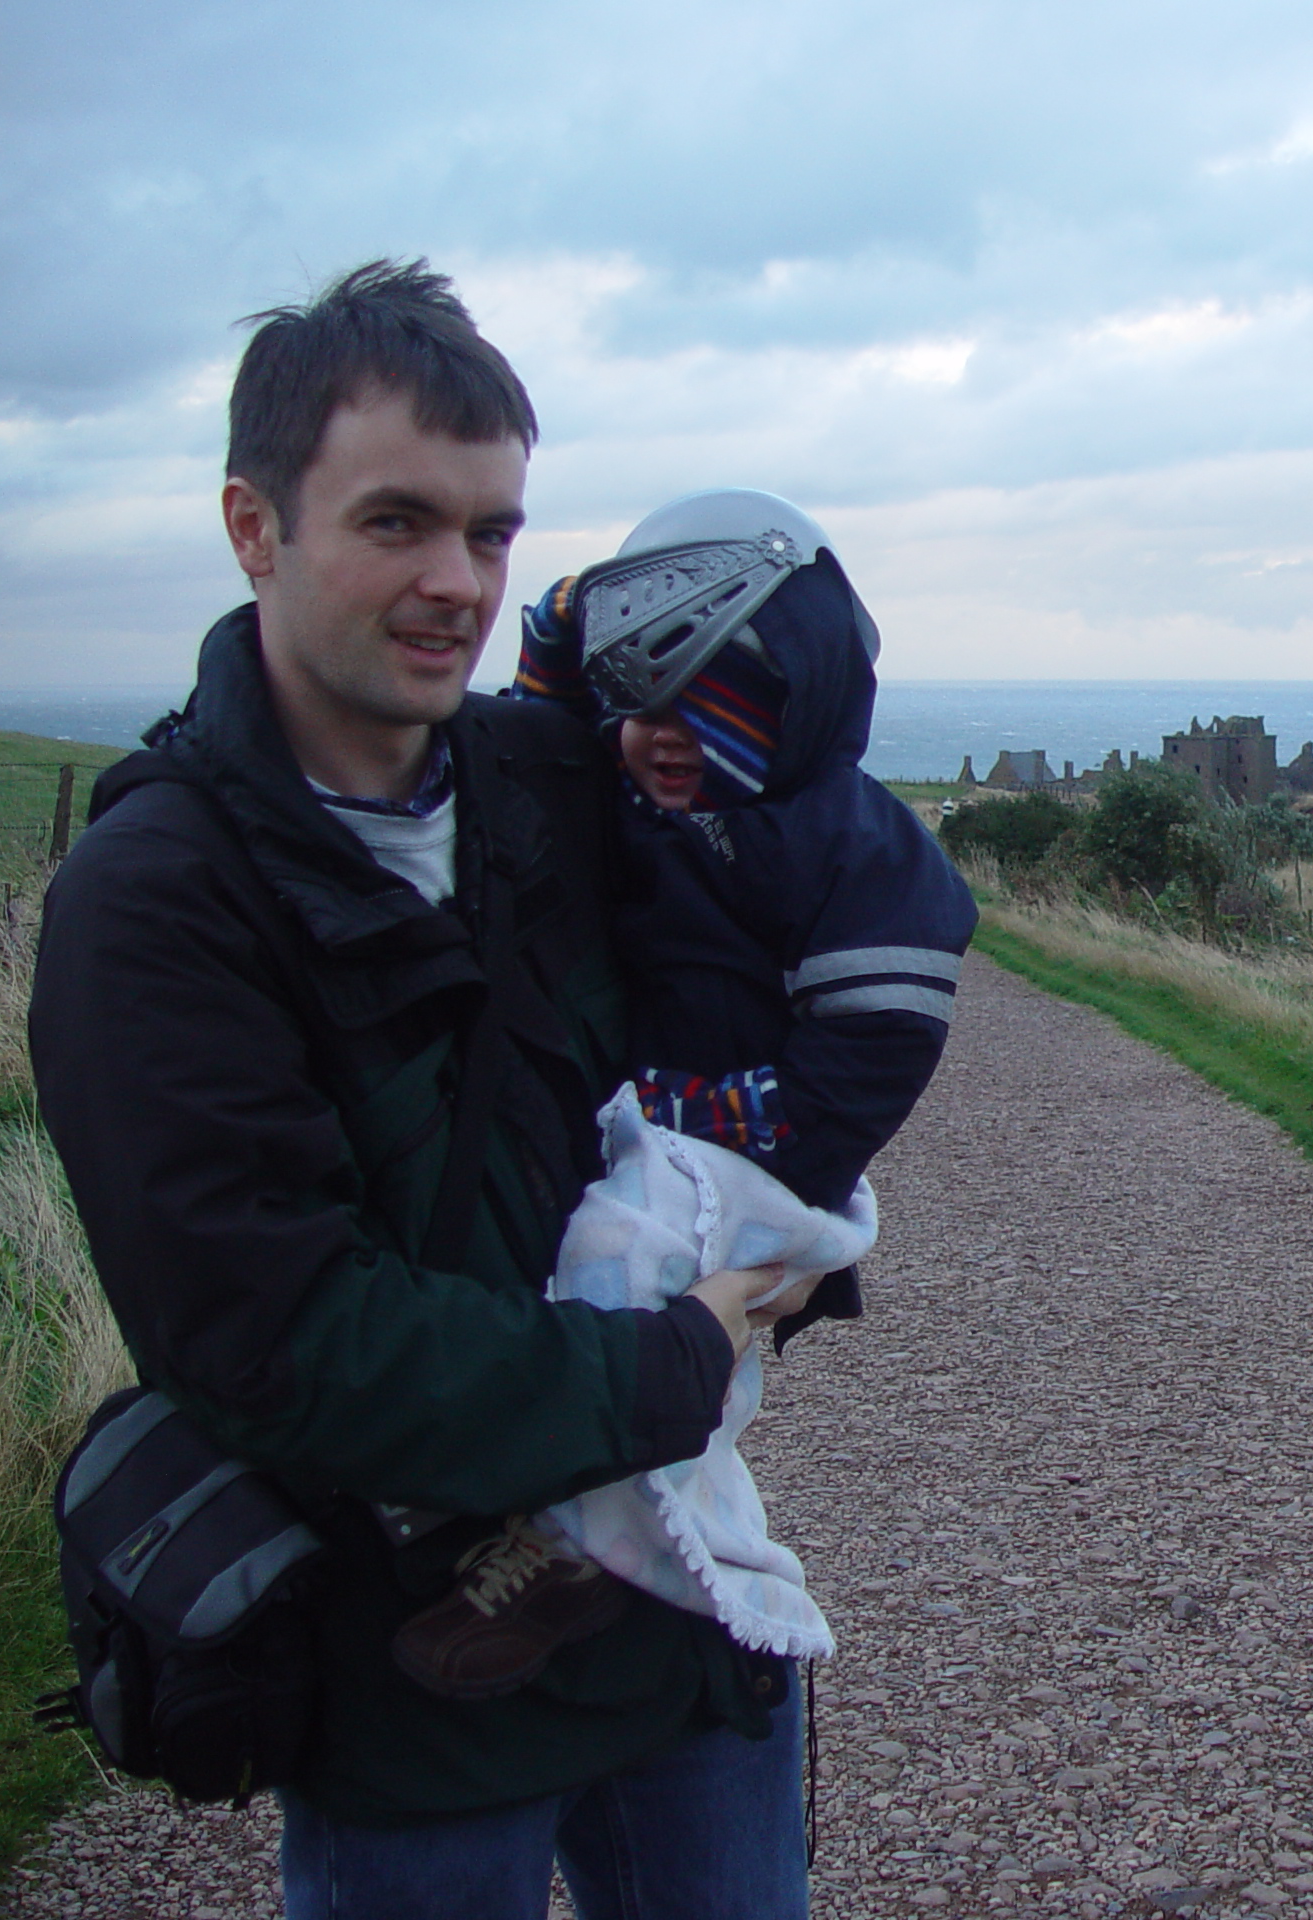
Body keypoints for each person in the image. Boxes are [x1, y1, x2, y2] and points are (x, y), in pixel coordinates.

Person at [27, 260, 814, 1920]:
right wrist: (676, 1357)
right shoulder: (156, 900)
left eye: (492, 531)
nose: (456, 579)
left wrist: (801, 1215)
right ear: (256, 526)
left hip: (686, 1631)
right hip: (413, 1679)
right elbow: (276, 1339)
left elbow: (725, 1039)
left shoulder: (550, 784)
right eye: (396, 522)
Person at [387, 489, 975, 1672]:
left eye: (699, 709)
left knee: (626, 1287)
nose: (656, 735)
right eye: (635, 703)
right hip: (659, 1126)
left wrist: (719, 1128)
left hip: (759, 1151)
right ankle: (554, 1510)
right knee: (597, 1298)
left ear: (791, 703)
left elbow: (868, 1063)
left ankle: (572, 1546)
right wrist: (564, 626)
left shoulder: (859, 848)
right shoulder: (649, 806)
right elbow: (530, 739)